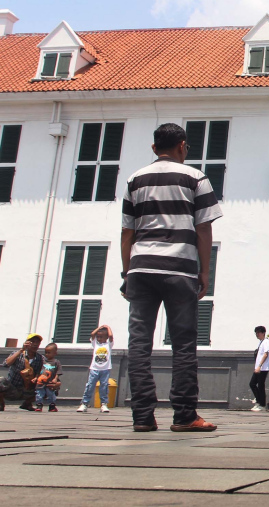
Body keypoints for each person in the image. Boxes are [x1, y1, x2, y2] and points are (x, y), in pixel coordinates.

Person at [122, 122, 221, 432]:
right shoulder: (196, 178)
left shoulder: (134, 179)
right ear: (183, 146)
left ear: (154, 148)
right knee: (183, 344)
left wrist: (127, 272)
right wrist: (204, 271)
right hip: (179, 267)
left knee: (139, 345)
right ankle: (184, 414)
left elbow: (127, 231)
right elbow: (203, 228)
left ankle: (142, 416)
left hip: (140, 267)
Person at [77, 324, 114, 413]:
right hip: (94, 369)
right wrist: (99, 328)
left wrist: (108, 327)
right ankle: (84, 403)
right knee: (90, 385)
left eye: (101, 337)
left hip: (105, 369)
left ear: (106, 338)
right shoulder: (95, 344)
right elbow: (92, 334)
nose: (99, 338)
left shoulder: (108, 344)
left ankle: (104, 404)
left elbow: (111, 336)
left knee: (104, 387)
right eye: (98, 337)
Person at [0, 334, 43, 412]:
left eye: (37, 342)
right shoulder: (18, 354)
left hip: (27, 389)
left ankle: (27, 403)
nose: (35, 344)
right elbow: (6, 364)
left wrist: (36, 378)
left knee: (47, 386)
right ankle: (1, 403)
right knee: (1, 380)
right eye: (32, 342)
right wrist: (21, 350)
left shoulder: (39, 358)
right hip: (12, 388)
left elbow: (38, 372)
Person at [34, 343, 62, 412]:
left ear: (55, 353)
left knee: (51, 394)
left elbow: (58, 372)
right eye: (46, 352)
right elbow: (39, 370)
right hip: (41, 382)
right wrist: (36, 377)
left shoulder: (56, 362)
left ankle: (52, 405)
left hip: (50, 382)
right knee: (39, 393)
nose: (47, 354)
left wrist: (55, 379)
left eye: (49, 353)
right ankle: (39, 405)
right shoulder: (43, 362)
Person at [250, 326, 269, 411]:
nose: (257, 334)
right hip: (259, 368)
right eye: (256, 333)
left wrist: (259, 366)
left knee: (260, 385)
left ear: (263, 333)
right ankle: (259, 401)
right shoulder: (261, 342)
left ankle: (262, 404)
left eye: (258, 332)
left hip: (263, 368)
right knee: (253, 384)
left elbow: (265, 354)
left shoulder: (266, 342)